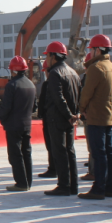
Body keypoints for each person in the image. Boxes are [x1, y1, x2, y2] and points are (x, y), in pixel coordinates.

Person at [78, 35, 112, 200]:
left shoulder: (96, 68)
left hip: (96, 116)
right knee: (109, 152)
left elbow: (87, 92)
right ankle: (110, 187)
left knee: (98, 153)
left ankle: (98, 188)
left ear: (97, 50)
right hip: (109, 116)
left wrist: (81, 108)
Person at [43, 41, 81, 197]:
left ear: (53, 56)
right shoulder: (73, 73)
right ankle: (73, 185)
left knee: (60, 152)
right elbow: (79, 95)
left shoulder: (55, 73)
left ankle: (64, 185)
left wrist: (68, 114)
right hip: (69, 119)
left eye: (48, 56)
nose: (47, 60)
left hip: (58, 118)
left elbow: (58, 98)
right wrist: (75, 114)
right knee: (70, 151)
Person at [0, 56, 36, 192]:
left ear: (13, 71)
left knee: (15, 154)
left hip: (14, 125)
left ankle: (21, 183)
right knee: (26, 152)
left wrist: (2, 119)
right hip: (27, 124)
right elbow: (34, 107)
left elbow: (6, 107)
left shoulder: (12, 85)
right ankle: (28, 182)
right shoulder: (31, 84)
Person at [37, 61, 57, 178]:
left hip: (50, 118)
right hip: (62, 118)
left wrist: (40, 114)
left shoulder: (47, 84)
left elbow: (42, 103)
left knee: (51, 144)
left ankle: (53, 168)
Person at [81, 52, 96, 182]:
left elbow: (86, 94)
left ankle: (93, 171)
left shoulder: (91, 74)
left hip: (91, 114)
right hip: (104, 115)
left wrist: (82, 109)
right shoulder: (110, 69)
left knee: (93, 145)